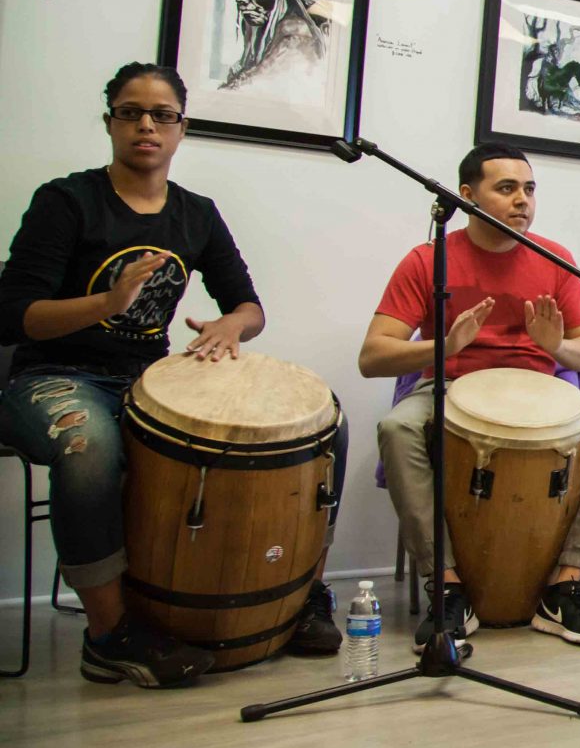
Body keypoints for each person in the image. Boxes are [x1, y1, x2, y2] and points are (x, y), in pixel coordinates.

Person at [0, 62, 344, 688]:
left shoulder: (196, 214)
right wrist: (105, 305)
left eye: (162, 114)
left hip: (145, 381)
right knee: (90, 448)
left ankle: (303, 600)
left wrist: (228, 327)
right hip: (53, 377)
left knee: (325, 426)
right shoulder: (67, 201)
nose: (147, 126)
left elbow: (248, 304)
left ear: (182, 128)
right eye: (131, 112)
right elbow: (13, 316)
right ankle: (109, 635)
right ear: (110, 122)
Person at [360, 142, 580, 650]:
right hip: (449, 387)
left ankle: (567, 585)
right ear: (466, 196)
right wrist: (443, 346)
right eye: (506, 188)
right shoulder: (428, 260)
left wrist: (556, 347)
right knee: (396, 428)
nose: (522, 201)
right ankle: (445, 587)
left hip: (539, 393)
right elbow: (372, 357)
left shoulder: (556, 260)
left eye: (529, 189)